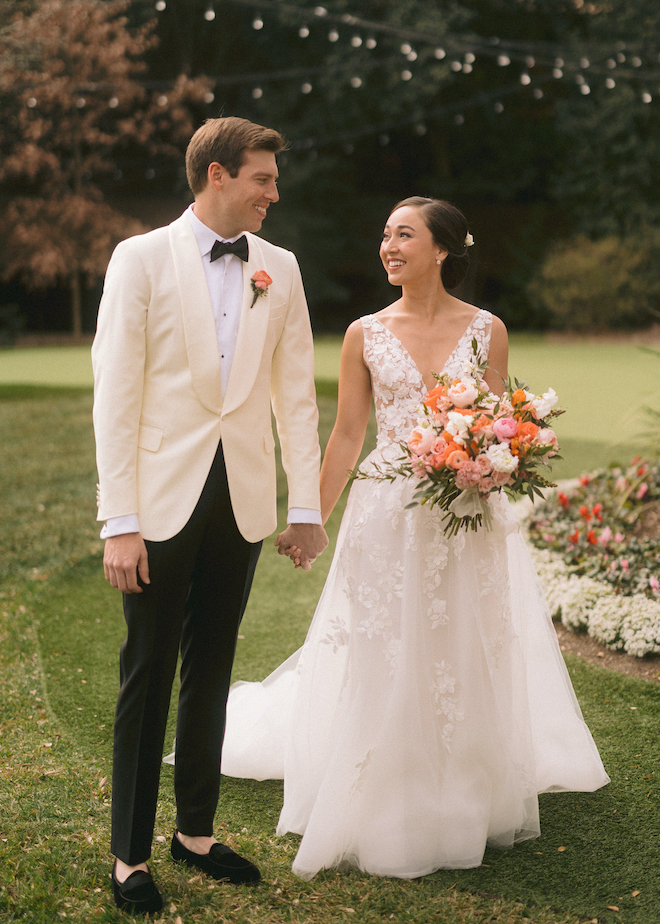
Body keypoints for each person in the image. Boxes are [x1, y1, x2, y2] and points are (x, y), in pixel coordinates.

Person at [219, 196, 610, 880]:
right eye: (384, 235)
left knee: (463, 639)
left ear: (444, 249)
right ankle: (386, 777)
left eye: (404, 235)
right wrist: (311, 516)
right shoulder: (362, 333)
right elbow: (347, 434)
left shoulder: (488, 330)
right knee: (386, 641)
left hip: (466, 512)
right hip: (385, 511)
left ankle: (462, 783)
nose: (388, 246)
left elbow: (498, 422)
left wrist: (499, 461)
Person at [92, 116, 328, 915]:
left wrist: (304, 506)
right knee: (149, 663)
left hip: (243, 497)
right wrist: (117, 520)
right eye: (263, 177)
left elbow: (295, 393)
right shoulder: (141, 257)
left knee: (214, 660)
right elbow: (115, 395)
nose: (274, 192)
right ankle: (128, 855)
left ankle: (194, 832)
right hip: (157, 498)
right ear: (218, 175)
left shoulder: (282, 268)